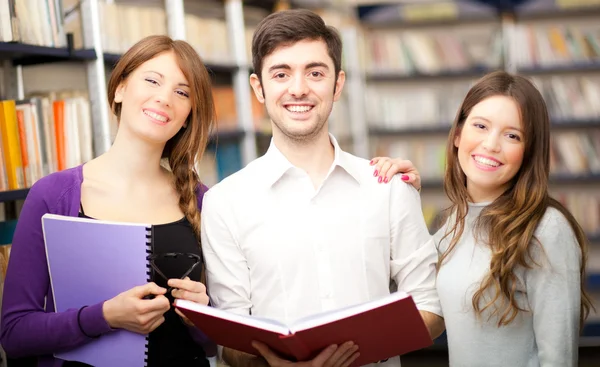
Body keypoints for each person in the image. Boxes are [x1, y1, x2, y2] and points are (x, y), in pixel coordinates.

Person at [200, 9, 445, 367]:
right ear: (259, 88)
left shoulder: (388, 188)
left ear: (338, 84)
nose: (298, 88)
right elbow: (231, 341)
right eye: (281, 73)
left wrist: (356, 353)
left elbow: (430, 308)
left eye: (315, 73)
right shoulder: (225, 202)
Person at [0, 35, 216, 367]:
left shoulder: (204, 202)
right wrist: (103, 316)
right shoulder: (53, 195)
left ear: (188, 115)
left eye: (182, 92)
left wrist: (202, 318)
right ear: (119, 89)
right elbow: (14, 333)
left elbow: (216, 346)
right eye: (152, 80)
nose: (164, 98)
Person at [381, 70, 594, 366]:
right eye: (480, 126)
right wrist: (398, 198)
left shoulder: (546, 228)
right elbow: (412, 297)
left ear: (528, 151)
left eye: (512, 135)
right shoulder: (452, 225)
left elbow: (559, 356)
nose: (491, 144)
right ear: (458, 134)